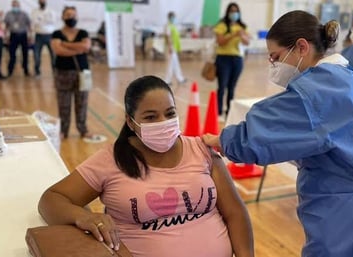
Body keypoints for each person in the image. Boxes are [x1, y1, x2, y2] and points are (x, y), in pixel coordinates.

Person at [203, 10, 353, 257]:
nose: (273, 66)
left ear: (301, 47)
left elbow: (263, 131)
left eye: (276, 57)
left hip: (345, 218)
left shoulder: (319, 89)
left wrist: (223, 140)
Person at [38, 75, 254, 257]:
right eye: (150, 117)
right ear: (131, 122)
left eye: (170, 113)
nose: (163, 122)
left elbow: (235, 212)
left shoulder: (201, 150)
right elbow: (51, 200)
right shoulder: (112, 160)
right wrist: (84, 217)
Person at [51, 6, 103, 142]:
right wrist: (77, 48)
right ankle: (63, 131)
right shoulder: (57, 33)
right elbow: (58, 50)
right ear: (63, 17)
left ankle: (83, 129)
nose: (71, 18)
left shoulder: (83, 33)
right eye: (68, 15)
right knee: (64, 104)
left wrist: (65, 44)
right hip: (62, 72)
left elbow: (86, 46)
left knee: (82, 103)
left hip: (82, 73)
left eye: (73, 15)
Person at [213, 2, 250, 122]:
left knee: (232, 87)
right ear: (228, 12)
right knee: (222, 86)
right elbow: (220, 41)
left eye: (236, 11)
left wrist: (242, 35)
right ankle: (218, 112)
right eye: (232, 11)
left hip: (237, 59)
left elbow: (247, 42)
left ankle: (229, 111)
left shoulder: (242, 26)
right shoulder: (222, 25)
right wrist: (233, 35)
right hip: (223, 58)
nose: (234, 13)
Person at [3, 0, 32, 77]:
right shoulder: (8, 14)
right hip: (13, 35)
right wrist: (6, 36)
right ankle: (10, 71)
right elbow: (6, 26)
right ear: (12, 6)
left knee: (25, 54)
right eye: (13, 6)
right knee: (12, 54)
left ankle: (26, 70)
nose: (15, 7)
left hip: (23, 35)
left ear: (19, 6)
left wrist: (30, 36)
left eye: (16, 6)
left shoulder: (24, 14)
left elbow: (29, 25)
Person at [31, 0, 56, 76]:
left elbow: (52, 21)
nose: (42, 2)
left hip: (50, 35)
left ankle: (55, 71)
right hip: (39, 35)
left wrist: (41, 20)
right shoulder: (34, 11)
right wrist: (43, 20)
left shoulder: (51, 11)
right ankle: (37, 71)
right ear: (38, 2)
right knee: (36, 54)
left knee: (53, 55)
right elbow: (34, 22)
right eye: (40, 1)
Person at [164, 11, 187, 86]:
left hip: (174, 48)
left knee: (175, 64)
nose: (174, 18)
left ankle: (180, 79)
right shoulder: (168, 26)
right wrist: (170, 47)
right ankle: (167, 80)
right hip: (170, 48)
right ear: (170, 17)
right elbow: (168, 37)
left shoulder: (173, 26)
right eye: (173, 17)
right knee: (170, 64)